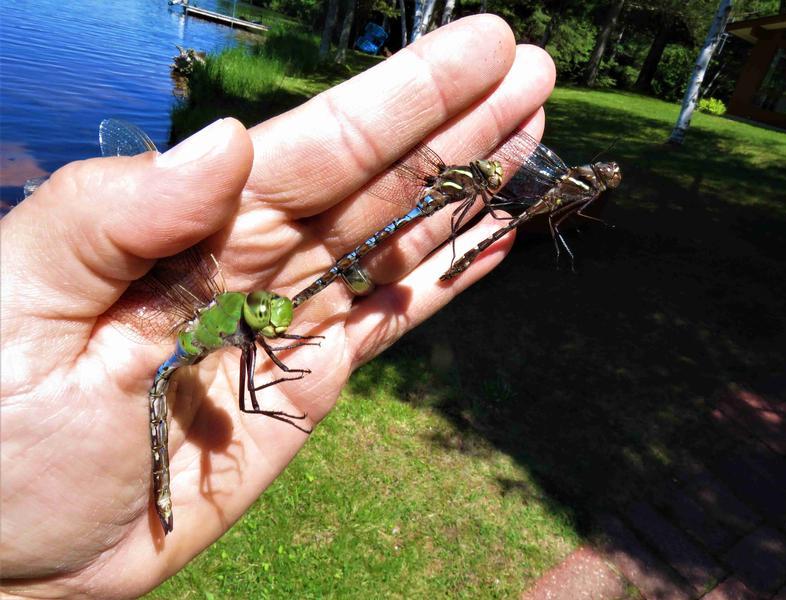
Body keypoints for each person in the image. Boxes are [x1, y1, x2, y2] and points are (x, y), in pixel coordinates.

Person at [0, 15, 554, 598]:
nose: (272, 313)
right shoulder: (227, 318)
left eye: (265, 310)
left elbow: (269, 349)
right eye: (265, 313)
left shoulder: (248, 316)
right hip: (171, 366)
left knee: (263, 377)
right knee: (253, 389)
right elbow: (256, 384)